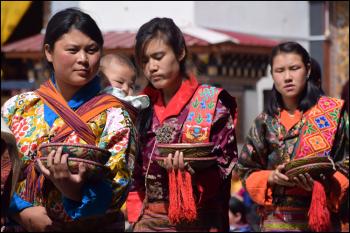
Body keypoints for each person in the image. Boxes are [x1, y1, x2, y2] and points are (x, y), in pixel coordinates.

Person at [1, 8, 135, 231]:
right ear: (49, 52)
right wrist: (20, 209)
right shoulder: (18, 108)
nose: (83, 59)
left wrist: (73, 190)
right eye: (72, 50)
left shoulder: (115, 116)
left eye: (91, 50)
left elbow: (117, 188)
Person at [129, 17, 238, 232]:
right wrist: (135, 218)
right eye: (144, 60)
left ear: (180, 53)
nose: (151, 67)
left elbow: (223, 171)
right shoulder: (140, 108)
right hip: (148, 221)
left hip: (198, 220)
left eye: (158, 56)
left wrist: (191, 174)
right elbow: (134, 172)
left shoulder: (211, 104)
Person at [236, 41, 349, 232]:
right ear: (272, 74)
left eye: (294, 68)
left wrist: (321, 185)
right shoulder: (264, 122)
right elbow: (246, 170)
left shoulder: (331, 115)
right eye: (280, 71)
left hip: (320, 219)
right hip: (275, 222)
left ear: (308, 69)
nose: (287, 77)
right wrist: (271, 177)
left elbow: (346, 163)